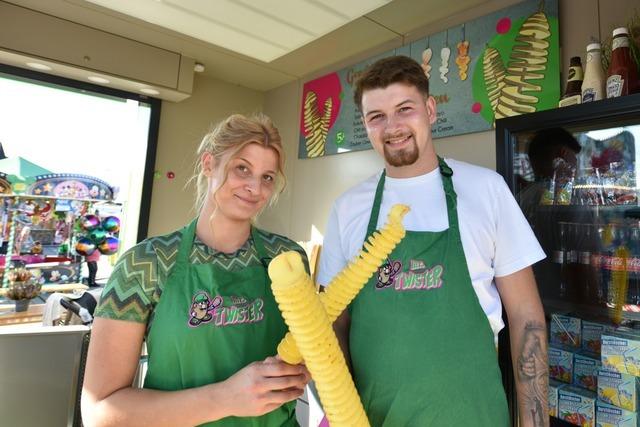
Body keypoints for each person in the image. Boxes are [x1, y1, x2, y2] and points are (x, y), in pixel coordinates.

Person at [316, 56, 548, 426]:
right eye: (376, 116)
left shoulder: (486, 189)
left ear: (429, 109)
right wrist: (337, 412)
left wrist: (535, 423)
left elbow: (526, 316)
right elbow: (331, 326)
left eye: (404, 109)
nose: (392, 127)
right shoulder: (347, 208)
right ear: (365, 125)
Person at [82, 113, 310, 427]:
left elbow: (306, 348)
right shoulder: (146, 263)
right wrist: (226, 398)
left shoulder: (287, 258)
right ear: (208, 165)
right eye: (241, 168)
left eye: (268, 177)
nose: (254, 187)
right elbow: (100, 410)